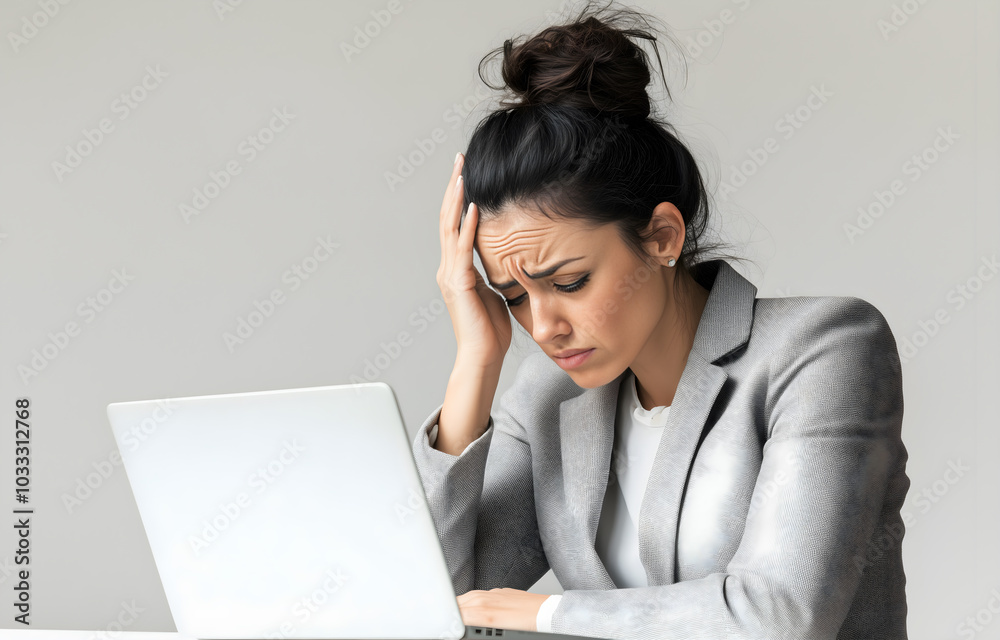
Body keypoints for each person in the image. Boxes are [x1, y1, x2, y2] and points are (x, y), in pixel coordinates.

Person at [410, 2, 909, 638]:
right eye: (513, 296)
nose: (543, 327)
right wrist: (474, 366)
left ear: (662, 236)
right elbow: (430, 602)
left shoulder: (824, 349)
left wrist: (548, 611)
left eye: (569, 282)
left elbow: (781, 617)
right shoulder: (547, 400)